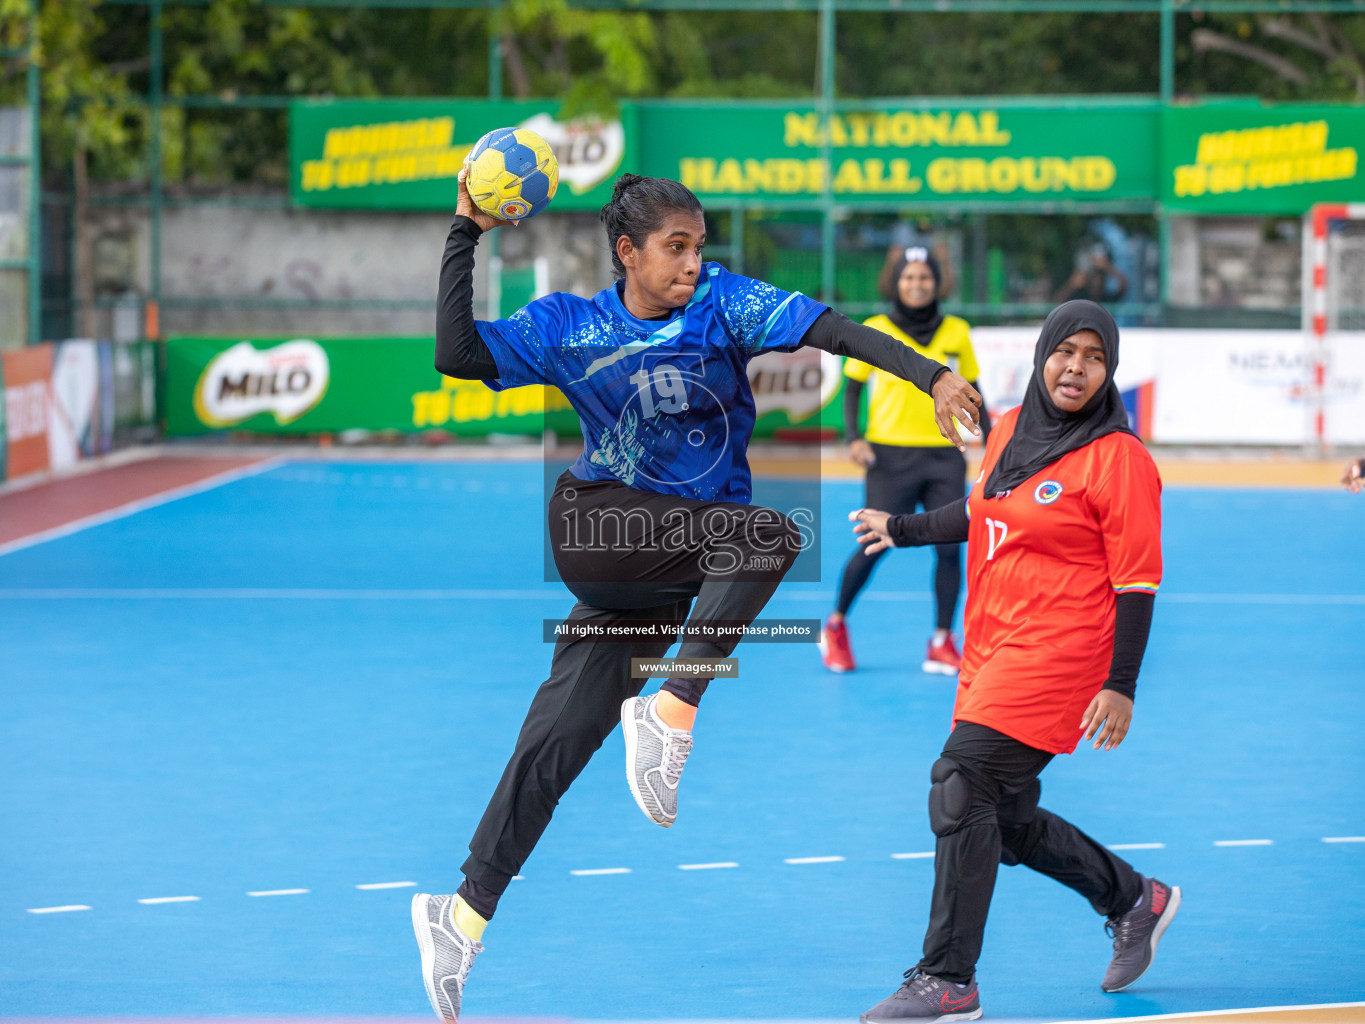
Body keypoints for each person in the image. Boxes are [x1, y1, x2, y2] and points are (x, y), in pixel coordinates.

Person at [409, 170, 984, 1022]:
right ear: (626, 251)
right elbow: (456, 354)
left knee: (557, 742)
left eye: (697, 246)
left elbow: (833, 331)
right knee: (769, 534)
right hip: (597, 527)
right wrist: (466, 229)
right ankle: (673, 705)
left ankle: (459, 915)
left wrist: (930, 374)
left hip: (665, 567)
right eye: (673, 248)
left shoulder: (721, 304)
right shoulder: (569, 325)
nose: (689, 263)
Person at [848, 300, 1178, 1022]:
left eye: (1094, 357)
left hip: (1061, 653)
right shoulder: (1007, 431)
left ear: (1108, 371)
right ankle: (1131, 898)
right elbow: (980, 511)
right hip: (994, 645)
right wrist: (899, 529)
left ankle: (947, 980)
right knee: (1002, 814)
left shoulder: (1119, 459)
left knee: (961, 784)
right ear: (1042, 355)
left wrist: (1119, 685)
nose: (1076, 368)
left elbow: (1136, 580)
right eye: (1066, 351)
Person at [820, 246, 990, 676]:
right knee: (875, 542)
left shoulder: (956, 331)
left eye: (925, 278)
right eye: (909, 277)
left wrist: (990, 437)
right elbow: (854, 385)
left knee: (951, 547)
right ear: (896, 282)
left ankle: (941, 641)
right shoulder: (876, 329)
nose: (917, 285)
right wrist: (854, 437)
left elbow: (972, 387)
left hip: (944, 455)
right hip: (889, 455)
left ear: (937, 283)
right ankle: (836, 627)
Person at [1053, 238, 1127, 305]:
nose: (1097, 282)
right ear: (1088, 279)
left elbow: (1123, 285)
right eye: (1094, 277)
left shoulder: (1107, 299)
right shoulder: (1079, 298)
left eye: (1101, 277)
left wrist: (1108, 267)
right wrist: (1071, 286)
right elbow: (1054, 305)